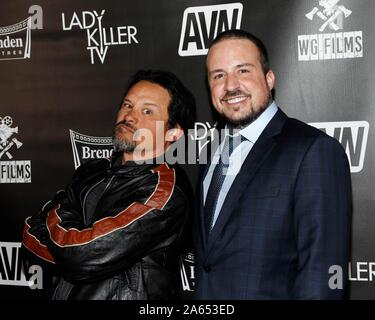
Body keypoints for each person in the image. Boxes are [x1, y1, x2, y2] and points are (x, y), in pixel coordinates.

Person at [193, 29, 352, 299]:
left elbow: (323, 274)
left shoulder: (313, 150)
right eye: (218, 75)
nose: (230, 85)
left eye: (243, 71)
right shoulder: (211, 155)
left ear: (269, 78)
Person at [22, 69, 196, 300]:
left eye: (147, 111)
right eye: (127, 105)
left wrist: (61, 218)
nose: (130, 116)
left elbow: (80, 256)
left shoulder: (164, 190)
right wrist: (73, 247)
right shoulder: (91, 171)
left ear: (173, 133)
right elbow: (30, 236)